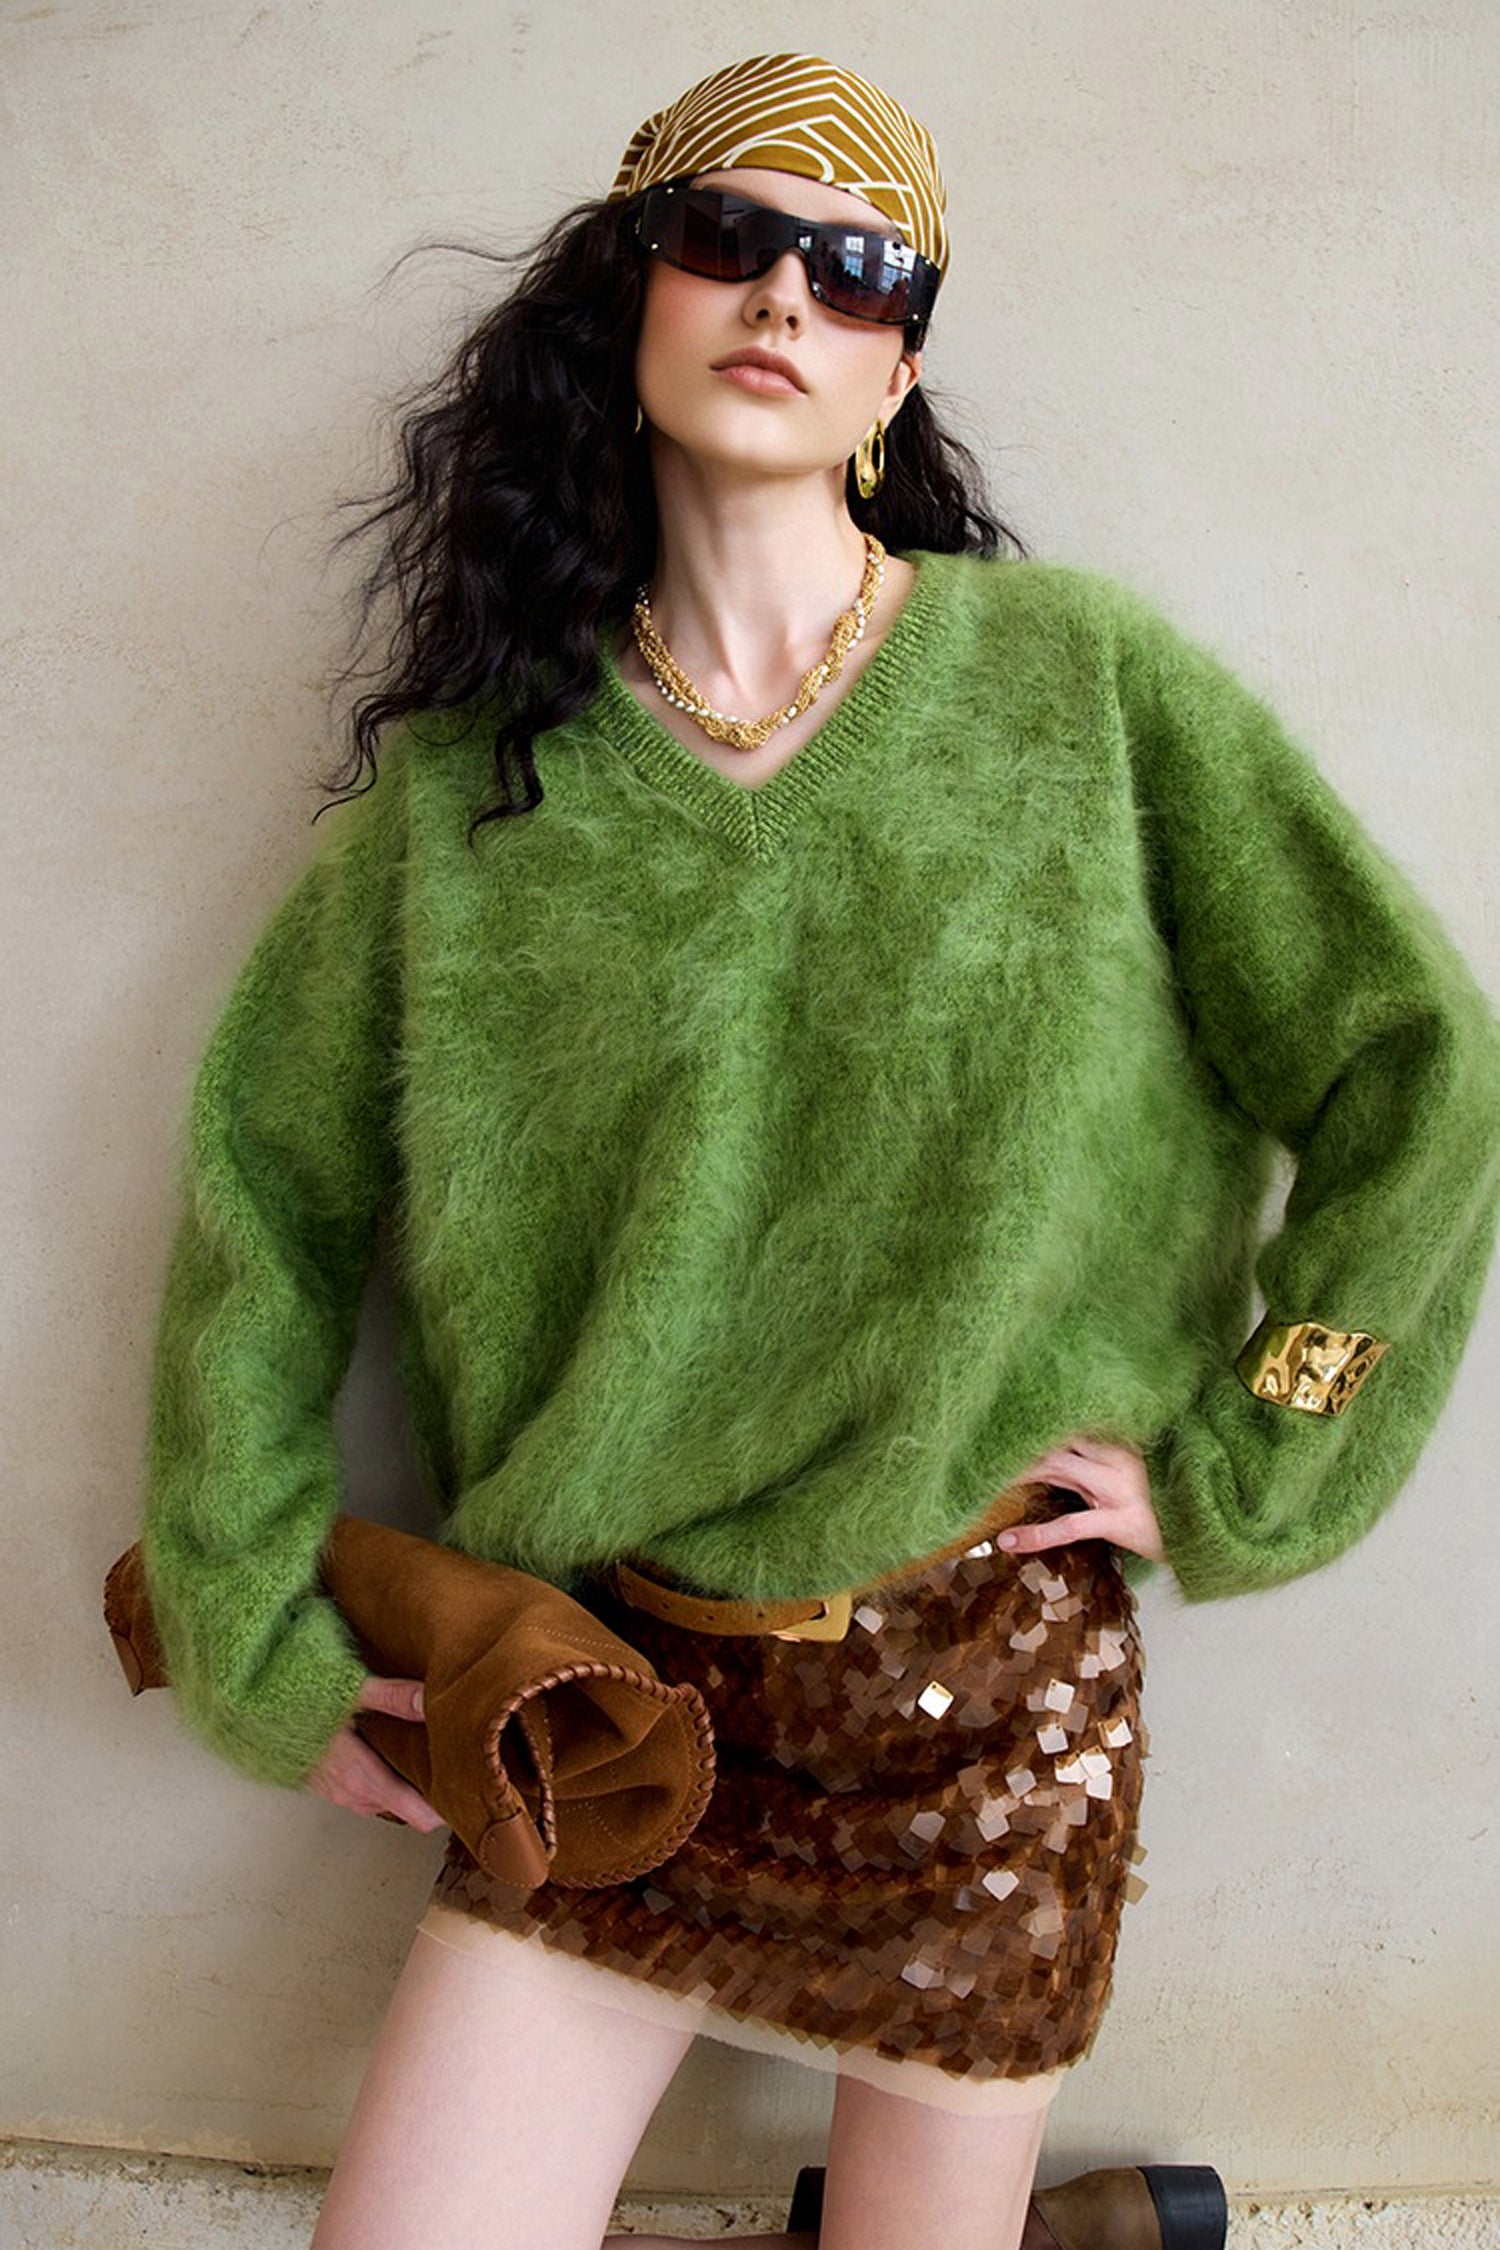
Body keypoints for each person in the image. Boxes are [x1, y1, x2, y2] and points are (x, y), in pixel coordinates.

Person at [137, 50, 1500, 2250]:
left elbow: (1417, 1066)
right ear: (630, 297)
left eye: (860, 269)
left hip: (987, 1695)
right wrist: (243, 1626)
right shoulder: (468, 796)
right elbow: (265, 1212)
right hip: (610, 1713)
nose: (788, 293)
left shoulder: (1082, 688)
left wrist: (1267, 1447)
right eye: (730, 238)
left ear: (899, 366)